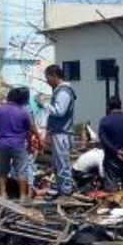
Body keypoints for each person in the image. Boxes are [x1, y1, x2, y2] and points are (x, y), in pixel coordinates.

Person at [0, 86, 38, 200]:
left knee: (2, 171)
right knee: (22, 171)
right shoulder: (23, 112)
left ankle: (3, 195)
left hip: (1, 144)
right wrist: (37, 140)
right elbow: (31, 129)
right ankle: (23, 196)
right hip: (18, 145)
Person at [37, 64, 77, 197]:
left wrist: (44, 103)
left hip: (62, 133)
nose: (47, 81)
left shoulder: (64, 91)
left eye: (47, 78)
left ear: (54, 76)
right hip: (59, 133)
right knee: (58, 163)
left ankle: (65, 190)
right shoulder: (60, 90)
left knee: (62, 163)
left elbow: (59, 111)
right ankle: (62, 188)